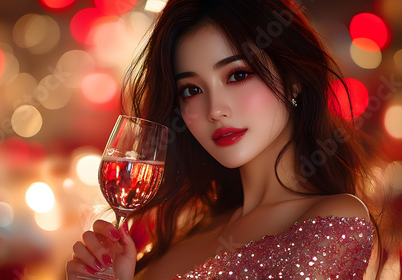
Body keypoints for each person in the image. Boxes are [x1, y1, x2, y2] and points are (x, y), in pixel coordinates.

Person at [66, 0, 387, 279]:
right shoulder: (187, 232)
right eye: (191, 90)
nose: (215, 110)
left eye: (237, 74)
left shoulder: (333, 222)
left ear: (293, 80)